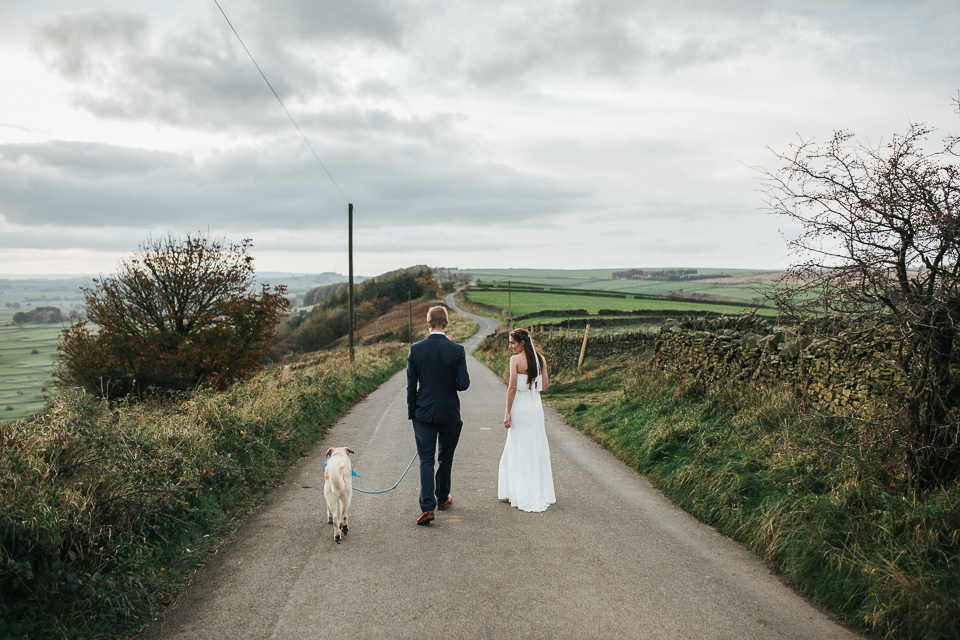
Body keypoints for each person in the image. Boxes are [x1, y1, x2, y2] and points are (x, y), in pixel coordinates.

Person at [406, 305, 470, 525]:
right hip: (449, 412)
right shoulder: (457, 350)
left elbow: (410, 385)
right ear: (447, 324)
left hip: (423, 413)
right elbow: (463, 385)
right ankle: (442, 498)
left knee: (426, 459)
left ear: (428, 323)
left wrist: (412, 411)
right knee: (445, 456)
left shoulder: (416, 349)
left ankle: (427, 507)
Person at [498, 328, 556, 512]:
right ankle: (539, 490)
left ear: (522, 342)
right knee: (536, 445)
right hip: (535, 407)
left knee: (520, 447)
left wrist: (507, 413)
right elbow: (545, 387)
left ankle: (519, 490)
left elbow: (512, 388)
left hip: (521, 407)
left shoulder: (515, 360)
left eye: (512, 343)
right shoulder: (541, 359)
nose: (510, 346)